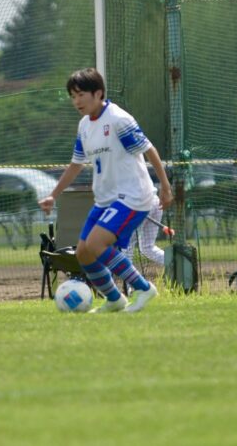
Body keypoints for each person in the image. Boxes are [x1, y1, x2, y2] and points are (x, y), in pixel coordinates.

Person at [38, 68, 173, 314]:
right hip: (105, 200)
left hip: (133, 197)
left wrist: (165, 186)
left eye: (81, 95)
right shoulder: (84, 126)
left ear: (98, 93)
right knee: (84, 253)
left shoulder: (118, 119)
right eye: (72, 96)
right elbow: (76, 164)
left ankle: (144, 289)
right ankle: (115, 299)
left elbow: (149, 149)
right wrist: (53, 195)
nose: (76, 101)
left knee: (97, 244)